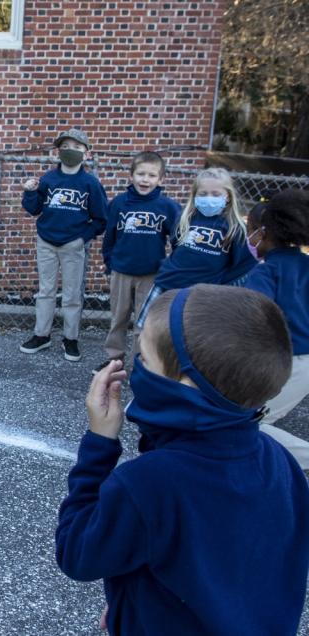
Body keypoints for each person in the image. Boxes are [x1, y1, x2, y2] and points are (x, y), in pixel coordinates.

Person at [56, 284, 309, 635]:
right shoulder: (282, 464)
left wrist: (99, 442)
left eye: (143, 358)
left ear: (186, 385)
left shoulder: (147, 483)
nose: (132, 368)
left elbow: (77, 551)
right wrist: (133, 598)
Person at [19, 128, 108, 362]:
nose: (71, 152)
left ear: (87, 154)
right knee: (45, 291)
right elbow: (33, 208)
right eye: (66, 147)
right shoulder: (48, 179)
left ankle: (70, 339)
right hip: (46, 242)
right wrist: (29, 191)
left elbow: (100, 219)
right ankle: (42, 334)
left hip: (73, 246)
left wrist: (81, 239)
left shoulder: (90, 183)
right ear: (58, 151)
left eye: (77, 148)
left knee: (71, 295)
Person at [134, 167, 256, 327]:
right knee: (152, 330)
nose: (209, 198)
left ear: (227, 196)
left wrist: (219, 282)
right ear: (195, 195)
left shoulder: (235, 228)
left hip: (201, 296)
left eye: (216, 194)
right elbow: (177, 247)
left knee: (189, 336)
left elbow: (243, 266)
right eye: (203, 194)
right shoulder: (185, 219)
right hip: (167, 284)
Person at [94, 151, 179, 374]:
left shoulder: (168, 207)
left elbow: (177, 240)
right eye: (141, 174)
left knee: (144, 322)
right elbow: (109, 236)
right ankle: (115, 359)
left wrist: (170, 267)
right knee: (119, 317)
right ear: (131, 175)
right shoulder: (119, 203)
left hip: (151, 274)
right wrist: (109, 262)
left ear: (161, 180)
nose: (145, 179)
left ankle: (140, 363)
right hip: (121, 270)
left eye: (152, 175)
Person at [245, 189, 309, 468]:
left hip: (286, 360)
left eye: (250, 231)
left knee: (247, 423)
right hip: (303, 360)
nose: (249, 238)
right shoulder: (306, 265)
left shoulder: (265, 272)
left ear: (264, 233)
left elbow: (253, 317)